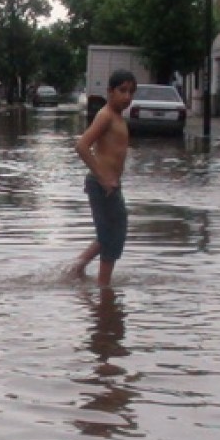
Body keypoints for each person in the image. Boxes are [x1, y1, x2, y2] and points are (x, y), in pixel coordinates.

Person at [72, 69, 136, 287]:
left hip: (110, 187)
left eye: (131, 92)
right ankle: (104, 288)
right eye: (122, 91)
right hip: (102, 186)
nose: (127, 97)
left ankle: (77, 268)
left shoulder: (117, 117)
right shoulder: (105, 115)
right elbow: (81, 146)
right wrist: (102, 177)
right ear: (110, 91)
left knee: (110, 233)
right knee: (112, 236)